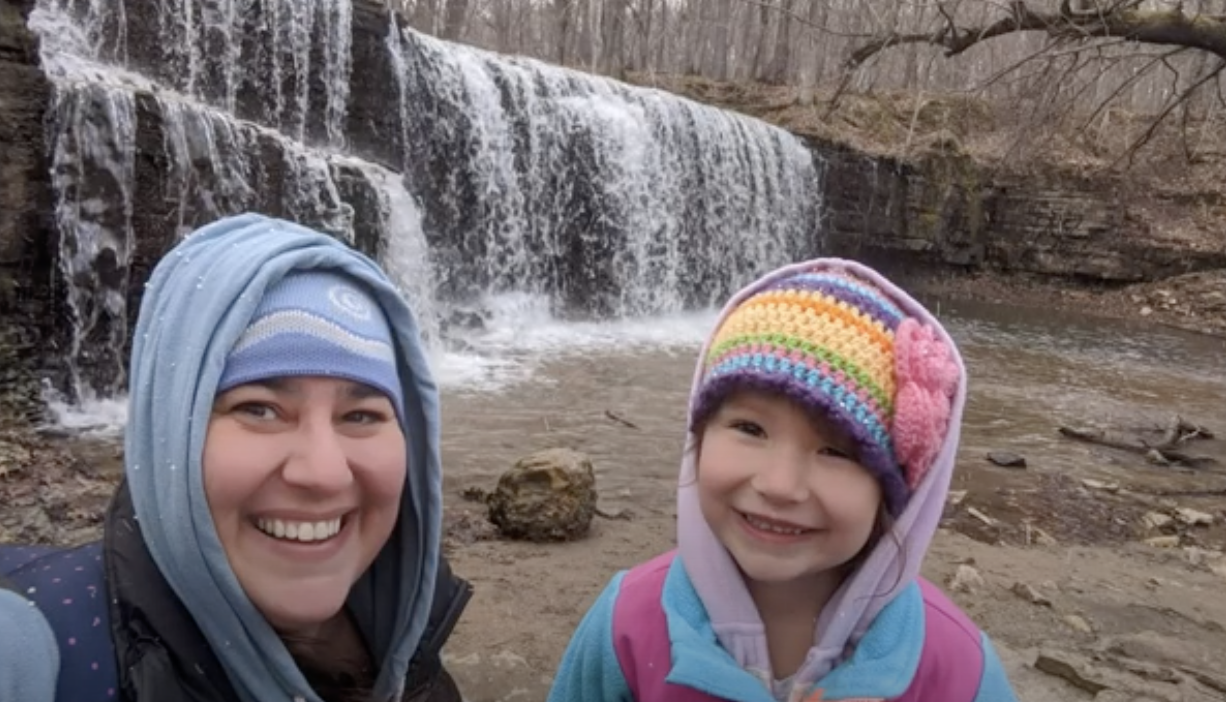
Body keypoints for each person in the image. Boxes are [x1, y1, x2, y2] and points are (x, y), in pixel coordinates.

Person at [0, 213, 471, 702]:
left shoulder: (413, 641)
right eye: (260, 409)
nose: (324, 473)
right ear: (168, 430)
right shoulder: (32, 646)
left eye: (361, 415)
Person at [547, 259, 1019, 702]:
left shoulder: (956, 672)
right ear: (698, 437)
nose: (779, 485)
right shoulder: (624, 629)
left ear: (896, 491)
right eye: (750, 429)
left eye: (836, 450)